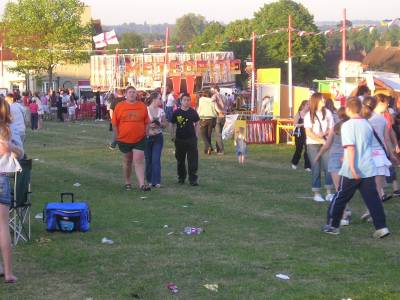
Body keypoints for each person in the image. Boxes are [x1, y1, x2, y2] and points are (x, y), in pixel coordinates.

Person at [322, 97, 390, 239]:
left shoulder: (347, 125)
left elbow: (351, 148)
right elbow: (366, 146)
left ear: (347, 109)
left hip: (353, 170)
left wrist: (352, 167)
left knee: (340, 197)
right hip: (368, 167)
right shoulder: (367, 124)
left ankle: (333, 225)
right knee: (373, 199)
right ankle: (381, 227)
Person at [0, 97, 23, 284]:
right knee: (3, 226)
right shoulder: (6, 131)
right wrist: (11, 148)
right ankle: (8, 273)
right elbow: (21, 153)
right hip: (2, 179)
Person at [112, 86, 150, 191]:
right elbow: (115, 123)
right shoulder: (119, 106)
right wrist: (117, 136)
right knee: (128, 161)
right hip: (124, 139)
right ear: (125, 94)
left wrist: (146, 134)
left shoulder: (142, 106)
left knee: (138, 160)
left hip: (139, 139)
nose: (132, 94)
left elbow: (147, 122)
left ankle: (142, 184)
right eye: (130, 92)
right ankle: (127, 181)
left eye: (134, 92)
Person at [304, 93, 335, 202]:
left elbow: (332, 128)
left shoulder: (328, 113)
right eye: (322, 99)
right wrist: (320, 139)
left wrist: (325, 135)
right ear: (316, 101)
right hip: (313, 144)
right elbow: (308, 132)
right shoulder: (309, 115)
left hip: (326, 143)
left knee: (328, 167)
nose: (324, 101)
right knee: (316, 168)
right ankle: (317, 193)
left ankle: (329, 192)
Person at [171, 93, 200, 186]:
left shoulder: (193, 112)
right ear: (181, 101)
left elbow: (197, 123)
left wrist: (196, 135)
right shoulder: (176, 112)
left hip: (191, 139)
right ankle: (181, 178)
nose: (186, 102)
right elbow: (172, 124)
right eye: (184, 100)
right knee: (180, 160)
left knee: (193, 160)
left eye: (188, 100)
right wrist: (173, 135)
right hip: (179, 139)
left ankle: (193, 179)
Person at [145, 92, 167, 188]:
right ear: (154, 99)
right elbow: (141, 124)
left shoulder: (161, 111)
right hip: (147, 137)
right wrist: (150, 125)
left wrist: (159, 124)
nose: (161, 100)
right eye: (159, 98)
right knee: (148, 159)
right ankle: (149, 180)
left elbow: (165, 124)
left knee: (156, 159)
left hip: (158, 137)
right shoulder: (145, 110)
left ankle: (156, 181)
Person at [291, 100, 311, 171]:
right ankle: (294, 162)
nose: (309, 106)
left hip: (308, 134)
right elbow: (295, 124)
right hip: (299, 134)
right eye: (307, 104)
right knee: (299, 149)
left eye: (309, 105)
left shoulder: (310, 114)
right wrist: (303, 124)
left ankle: (307, 166)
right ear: (303, 106)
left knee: (307, 150)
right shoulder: (298, 114)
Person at [197, 89, 217, 155]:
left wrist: (197, 116)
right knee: (208, 135)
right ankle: (207, 150)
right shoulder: (212, 100)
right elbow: (214, 109)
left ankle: (208, 147)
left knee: (203, 135)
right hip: (211, 118)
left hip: (203, 118)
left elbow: (199, 108)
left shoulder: (201, 99)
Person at [211, 85, 226, 154]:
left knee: (218, 134)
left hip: (218, 116)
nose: (211, 91)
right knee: (219, 134)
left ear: (215, 90)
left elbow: (212, 103)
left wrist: (218, 111)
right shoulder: (223, 96)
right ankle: (218, 149)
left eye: (212, 89)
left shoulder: (214, 96)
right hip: (224, 116)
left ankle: (221, 150)